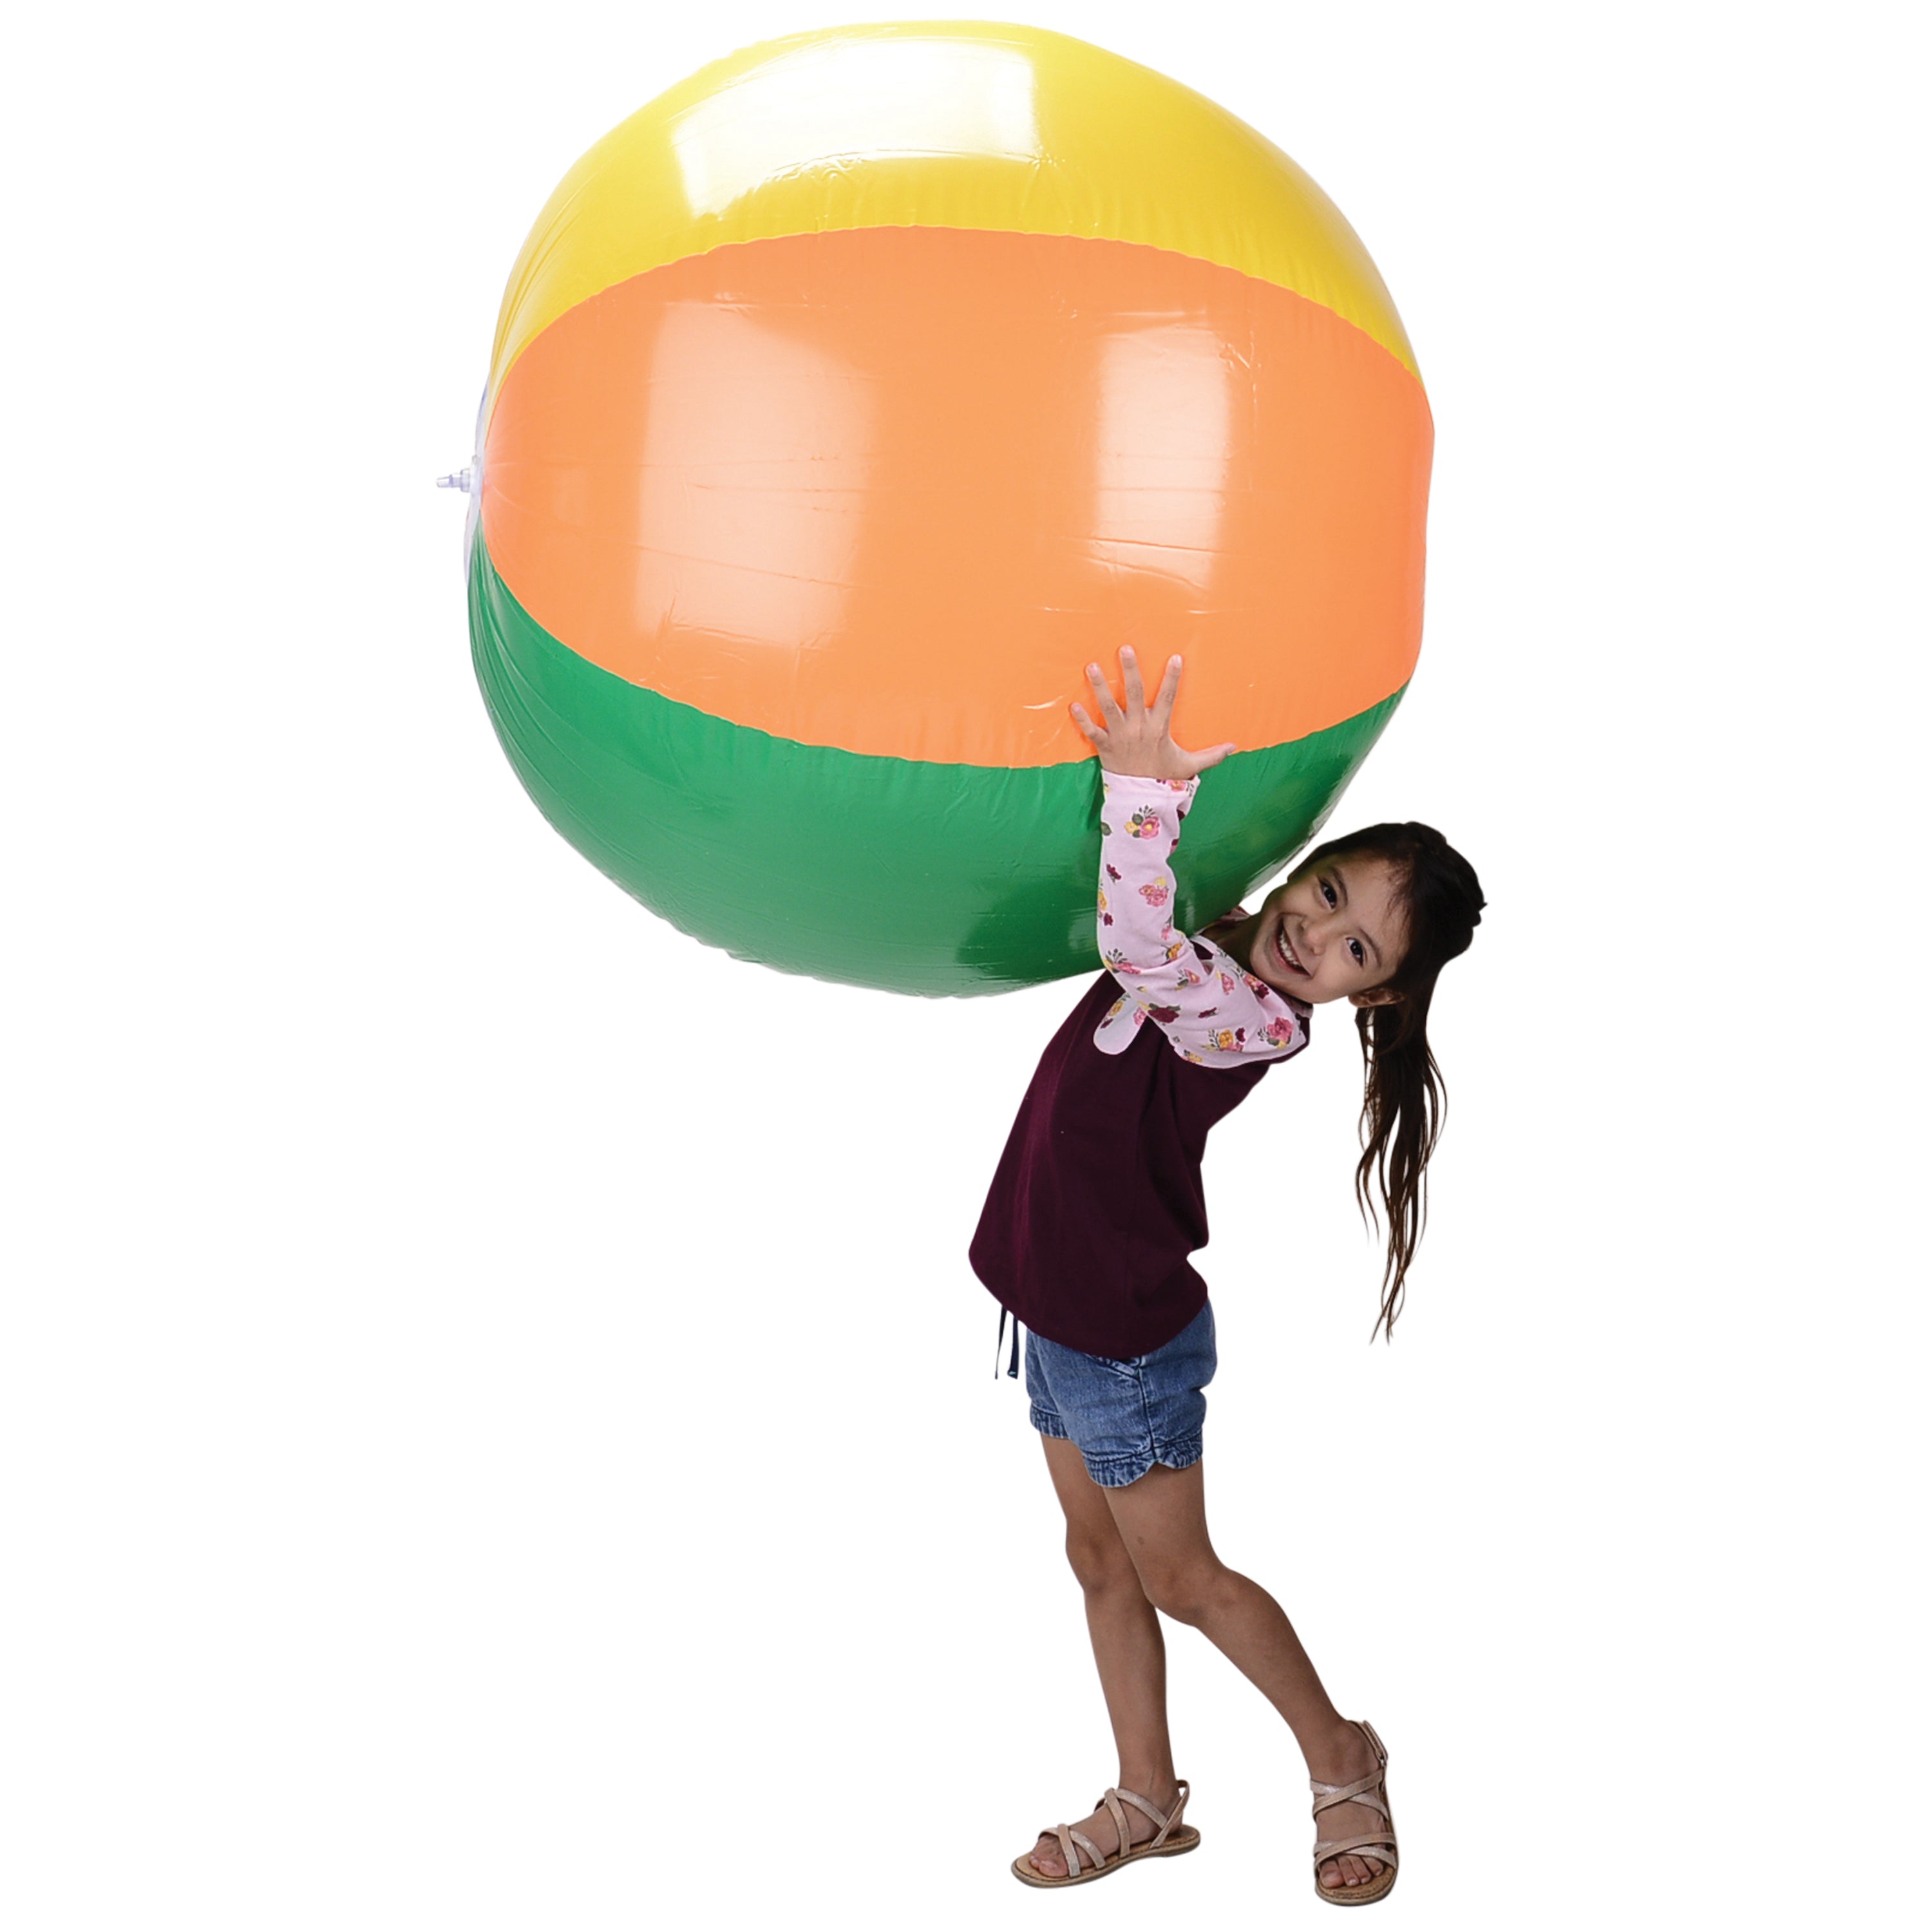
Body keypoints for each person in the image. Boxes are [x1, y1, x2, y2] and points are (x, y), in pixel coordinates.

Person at [971, 647, 1484, 1904]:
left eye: (1357, 948)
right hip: (1054, 1311)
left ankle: (1342, 1755)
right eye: (1330, 891)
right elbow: (1161, 916)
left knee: (1183, 1578)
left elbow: (1137, 943)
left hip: (1122, 1342)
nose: (1317, 934)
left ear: (1374, 995)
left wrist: (1143, 786)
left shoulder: (1247, 1015)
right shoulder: (1228, 923)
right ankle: (1148, 1798)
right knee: (1098, 1561)